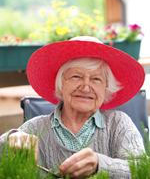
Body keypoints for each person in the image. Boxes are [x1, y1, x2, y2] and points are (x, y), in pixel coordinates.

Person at [0, 36, 146, 179]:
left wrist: (99, 165)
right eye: (76, 76)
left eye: (96, 79)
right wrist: (10, 139)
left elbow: (141, 169)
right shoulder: (35, 127)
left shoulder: (118, 123)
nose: (86, 87)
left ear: (106, 89)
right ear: (60, 85)